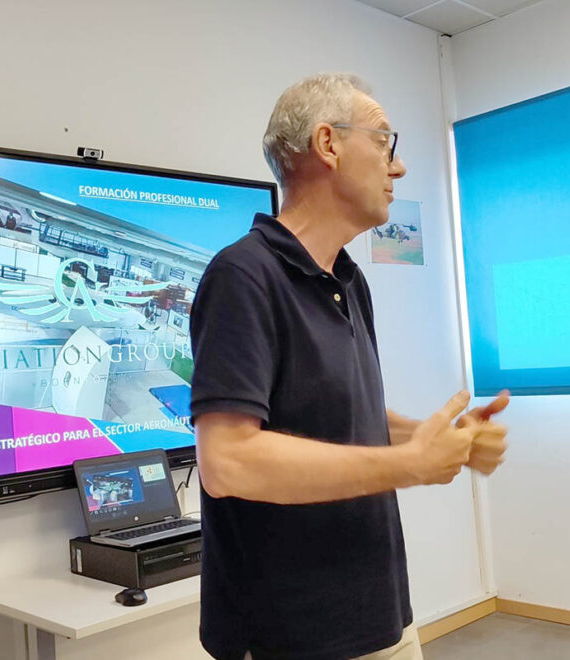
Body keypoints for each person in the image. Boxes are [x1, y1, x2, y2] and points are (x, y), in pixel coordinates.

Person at [190, 73, 510, 660]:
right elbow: (227, 461)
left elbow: (342, 414)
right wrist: (407, 465)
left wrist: (435, 439)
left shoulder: (348, 279)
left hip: (376, 613)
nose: (400, 166)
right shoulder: (243, 276)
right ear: (328, 144)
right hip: (291, 633)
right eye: (385, 141)